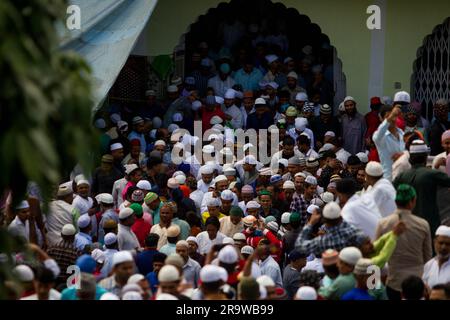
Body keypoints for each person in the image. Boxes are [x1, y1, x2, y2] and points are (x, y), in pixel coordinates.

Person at [375, 184, 432, 300]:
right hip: (417, 284)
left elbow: (377, 255)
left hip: (394, 282)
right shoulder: (423, 224)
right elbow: (428, 257)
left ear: (396, 202)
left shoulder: (383, 224)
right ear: (412, 201)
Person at [393, 140, 450, 235]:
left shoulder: (401, 176)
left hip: (407, 224)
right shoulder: (432, 174)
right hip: (430, 224)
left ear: (410, 158)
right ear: (425, 157)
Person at [295, 202, 362, 256]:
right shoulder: (353, 231)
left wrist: (310, 223)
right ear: (341, 217)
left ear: (324, 220)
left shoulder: (323, 241)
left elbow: (299, 246)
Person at [372, 105, 405, 181]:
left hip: (403, 177)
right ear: (382, 119)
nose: (392, 119)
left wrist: (404, 155)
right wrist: (392, 115)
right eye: (388, 117)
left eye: (394, 116)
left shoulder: (402, 134)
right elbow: (381, 130)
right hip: (389, 179)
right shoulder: (379, 136)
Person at [46, 182, 80, 246]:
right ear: (68, 196)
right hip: (68, 245)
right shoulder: (73, 209)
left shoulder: (48, 207)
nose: (72, 198)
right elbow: (78, 230)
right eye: (72, 196)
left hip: (51, 244)